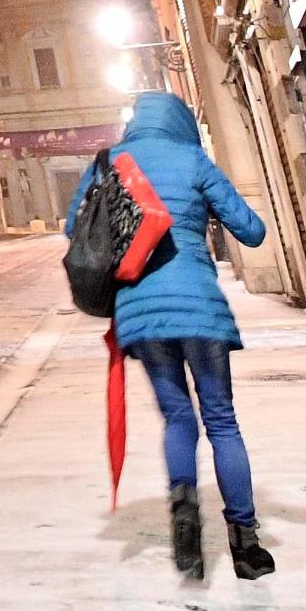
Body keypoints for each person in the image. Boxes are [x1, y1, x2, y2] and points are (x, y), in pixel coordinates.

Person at [74, 89, 273, 581]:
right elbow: (251, 231)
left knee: (178, 417)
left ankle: (184, 511)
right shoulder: (192, 159)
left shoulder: (109, 162)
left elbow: (74, 231)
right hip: (200, 309)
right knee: (222, 421)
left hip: (140, 314)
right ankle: (244, 542)